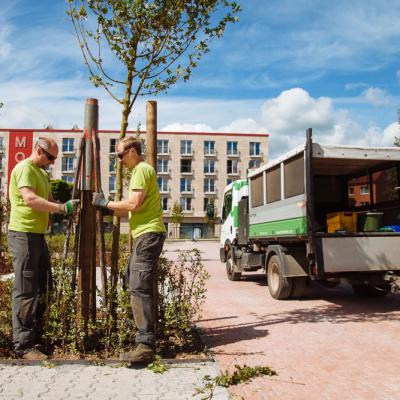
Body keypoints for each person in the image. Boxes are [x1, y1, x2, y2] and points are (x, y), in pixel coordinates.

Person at [92, 137, 166, 363]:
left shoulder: (141, 170)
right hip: (145, 235)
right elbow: (130, 208)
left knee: (139, 286)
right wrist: (108, 210)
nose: (119, 160)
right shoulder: (141, 171)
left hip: (148, 235)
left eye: (120, 155)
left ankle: (145, 345)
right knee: (132, 280)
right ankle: (143, 337)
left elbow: (134, 204)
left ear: (133, 151)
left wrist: (105, 204)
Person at [8, 137, 80, 360]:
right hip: (23, 234)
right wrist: (60, 207)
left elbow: (47, 199)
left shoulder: (42, 173)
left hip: (37, 236)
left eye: (55, 159)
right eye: (50, 157)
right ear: (39, 150)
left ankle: (36, 337)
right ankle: (23, 346)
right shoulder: (24, 168)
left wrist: (67, 205)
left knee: (43, 285)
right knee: (25, 289)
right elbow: (30, 199)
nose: (52, 162)